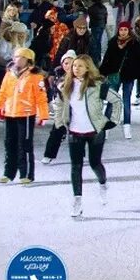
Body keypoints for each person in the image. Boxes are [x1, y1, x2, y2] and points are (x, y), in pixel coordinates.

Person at [50, 56, 119, 216]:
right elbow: (58, 103)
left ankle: (103, 184)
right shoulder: (65, 85)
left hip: (94, 131)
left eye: (80, 66)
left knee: (95, 164)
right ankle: (77, 200)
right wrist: (60, 122)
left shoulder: (97, 85)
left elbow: (116, 100)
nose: (76, 69)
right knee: (76, 166)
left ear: (88, 68)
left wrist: (112, 121)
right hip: (75, 132)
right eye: (74, 66)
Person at [0, 48, 50, 184]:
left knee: (24, 145)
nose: (17, 59)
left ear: (28, 60)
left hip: (25, 114)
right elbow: (2, 92)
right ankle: (8, 173)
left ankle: (26, 174)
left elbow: (41, 97)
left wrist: (43, 115)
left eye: (21, 57)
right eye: (16, 56)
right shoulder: (9, 74)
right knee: (9, 143)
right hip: (10, 113)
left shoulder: (35, 76)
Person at [101, 22, 140, 139]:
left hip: (129, 76)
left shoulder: (134, 43)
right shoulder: (113, 42)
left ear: (129, 31)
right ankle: (106, 128)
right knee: (112, 101)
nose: (123, 32)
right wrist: (101, 73)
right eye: (121, 29)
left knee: (126, 101)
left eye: (125, 30)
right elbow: (107, 59)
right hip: (114, 76)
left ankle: (127, 126)